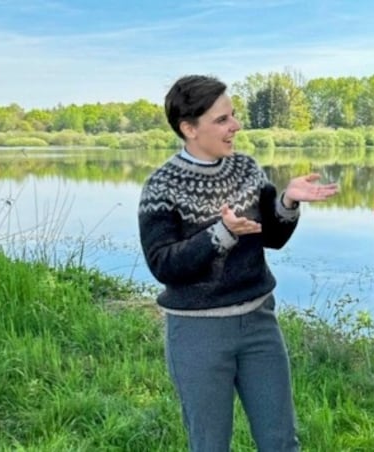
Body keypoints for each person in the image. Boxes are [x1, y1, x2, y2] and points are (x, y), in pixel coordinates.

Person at [138, 74, 338, 452]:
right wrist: (221, 234)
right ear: (189, 128)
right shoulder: (161, 186)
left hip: (259, 322)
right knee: (210, 445)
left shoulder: (247, 169)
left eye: (233, 115)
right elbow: (163, 264)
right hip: (198, 334)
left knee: (281, 442)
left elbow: (272, 237)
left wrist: (288, 202)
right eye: (222, 120)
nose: (236, 126)